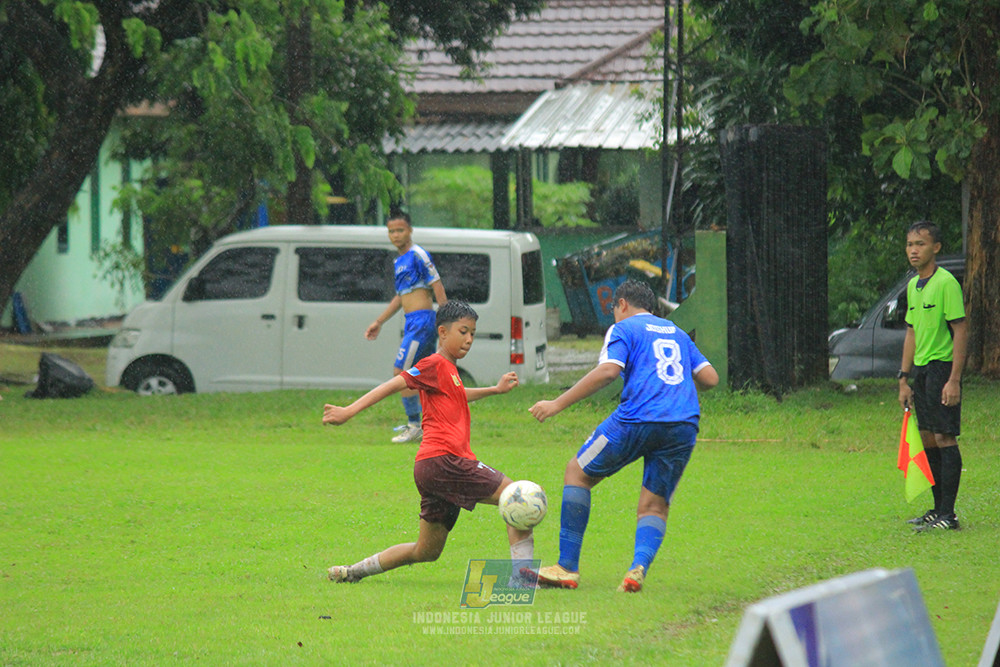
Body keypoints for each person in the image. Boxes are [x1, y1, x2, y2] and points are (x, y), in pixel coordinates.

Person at [323, 300, 535, 583]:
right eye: (463, 331)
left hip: (431, 468)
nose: (469, 339)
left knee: (427, 551)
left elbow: (459, 393)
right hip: (445, 460)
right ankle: (524, 579)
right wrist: (349, 411)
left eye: (472, 333)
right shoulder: (434, 364)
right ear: (443, 333)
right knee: (516, 496)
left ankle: (353, 572)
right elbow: (395, 383)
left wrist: (495, 390)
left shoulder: (448, 371)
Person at [528, 280, 718, 593]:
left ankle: (566, 568)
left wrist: (556, 404)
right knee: (654, 505)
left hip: (636, 419)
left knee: (577, 472)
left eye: (615, 310)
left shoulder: (624, 328)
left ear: (622, 305)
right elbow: (710, 378)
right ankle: (637, 568)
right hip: (682, 423)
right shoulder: (677, 333)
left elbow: (608, 372)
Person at [898, 221, 967, 531]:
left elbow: (961, 330)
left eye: (921, 244)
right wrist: (903, 377)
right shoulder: (914, 285)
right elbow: (911, 332)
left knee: (944, 436)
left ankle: (948, 515)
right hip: (923, 371)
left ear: (935, 248)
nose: (914, 250)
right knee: (927, 438)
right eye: (910, 244)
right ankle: (937, 509)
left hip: (942, 367)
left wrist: (954, 379)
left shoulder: (946, 283)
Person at [365, 212, 447, 443]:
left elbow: (436, 283)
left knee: (401, 373)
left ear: (409, 230)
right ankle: (435, 425)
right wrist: (379, 321)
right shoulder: (398, 262)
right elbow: (401, 297)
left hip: (422, 321)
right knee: (425, 376)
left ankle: (414, 425)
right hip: (412, 321)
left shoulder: (418, 255)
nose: (395, 235)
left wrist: (446, 319)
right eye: (391, 231)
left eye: (400, 230)